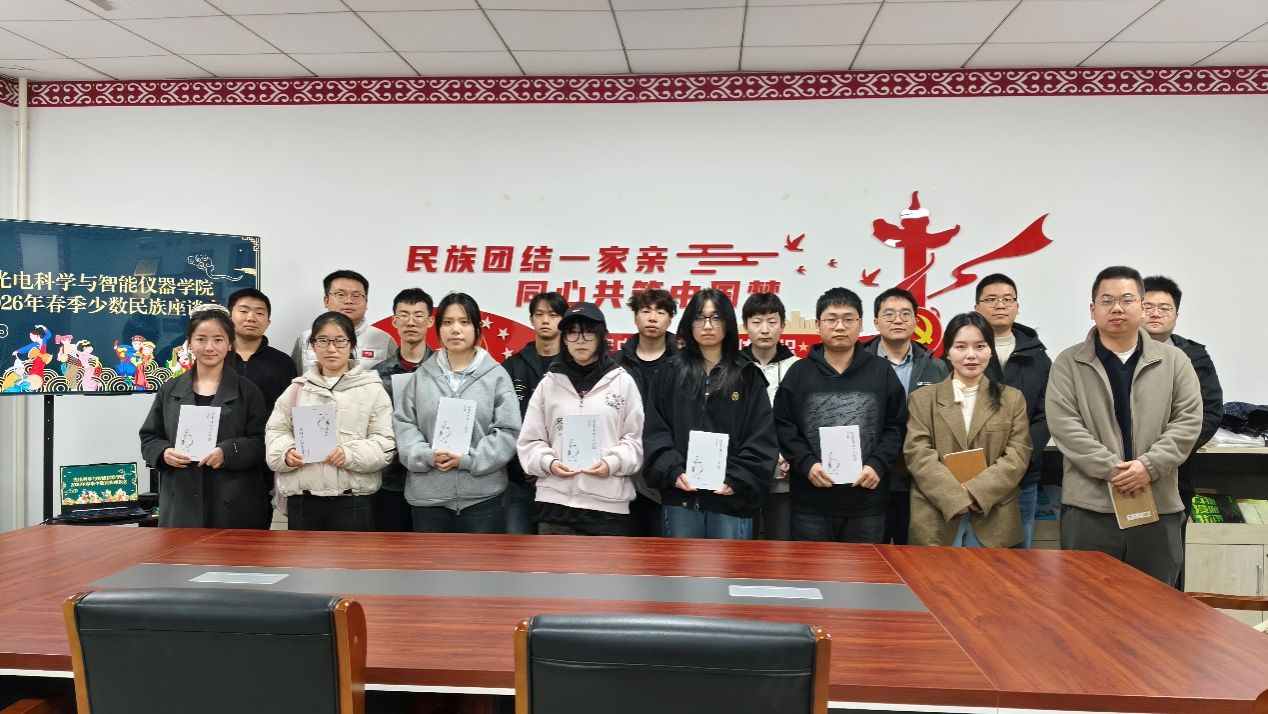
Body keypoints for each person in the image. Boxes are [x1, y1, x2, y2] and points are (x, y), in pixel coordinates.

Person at [1048, 266, 1202, 584]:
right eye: (1107, 300)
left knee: (1155, 604)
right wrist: (1115, 471)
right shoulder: (1068, 363)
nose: (1117, 308)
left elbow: (1188, 422)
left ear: (1141, 307)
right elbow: (1065, 426)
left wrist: (1148, 466)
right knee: (1086, 602)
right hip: (1090, 508)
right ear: (1092, 309)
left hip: (1157, 505)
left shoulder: (1175, 361)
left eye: (1127, 299)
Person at [774, 287, 907, 544]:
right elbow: (783, 425)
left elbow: (896, 425)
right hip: (811, 501)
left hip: (867, 499)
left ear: (860, 324)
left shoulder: (880, 371)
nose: (840, 326)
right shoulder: (799, 372)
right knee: (813, 568)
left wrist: (877, 464)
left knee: (864, 569)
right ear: (818, 325)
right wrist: (807, 464)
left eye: (848, 319)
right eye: (831, 319)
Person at [643, 288, 777, 539]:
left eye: (716, 318)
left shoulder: (747, 375)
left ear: (728, 323)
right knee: (682, 565)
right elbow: (655, 431)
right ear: (689, 322)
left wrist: (737, 479)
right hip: (682, 498)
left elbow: (761, 437)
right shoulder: (670, 372)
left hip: (731, 500)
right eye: (700, 317)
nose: (707, 325)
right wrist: (673, 472)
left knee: (729, 565)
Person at [395, 292, 521, 534]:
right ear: (438, 329)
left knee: (480, 560)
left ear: (477, 328)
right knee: (429, 560)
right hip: (428, 499)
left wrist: (469, 459)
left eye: (464, 322)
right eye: (447, 322)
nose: (455, 330)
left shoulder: (496, 376)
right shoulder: (422, 376)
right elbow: (404, 423)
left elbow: (508, 430)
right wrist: (426, 455)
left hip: (482, 499)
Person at [904, 313, 1032, 547]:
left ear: (990, 351)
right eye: (961, 347)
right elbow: (918, 454)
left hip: (994, 515)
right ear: (948, 352)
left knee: (989, 574)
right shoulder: (922, 399)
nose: (971, 355)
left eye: (980, 346)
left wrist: (975, 493)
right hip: (936, 515)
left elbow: (1017, 455)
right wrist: (955, 497)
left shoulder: (1012, 399)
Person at [516, 302, 642, 536]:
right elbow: (530, 441)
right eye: (572, 333)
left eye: (588, 332)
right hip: (555, 505)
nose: (580, 340)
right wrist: (549, 463)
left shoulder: (622, 382)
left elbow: (634, 441)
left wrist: (612, 463)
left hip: (608, 506)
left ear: (601, 336)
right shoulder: (549, 383)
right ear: (564, 339)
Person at [140, 306, 271, 528]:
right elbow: (150, 437)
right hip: (181, 503)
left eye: (218, 340)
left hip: (234, 503)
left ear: (229, 344)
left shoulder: (248, 391)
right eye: (201, 339)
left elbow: (262, 442)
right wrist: (163, 453)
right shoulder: (170, 390)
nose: (209, 347)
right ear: (190, 343)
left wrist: (228, 452)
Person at [267, 311, 395, 532]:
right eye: (323, 341)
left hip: (353, 502)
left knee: (352, 556)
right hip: (304, 501)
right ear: (313, 345)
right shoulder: (297, 389)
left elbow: (386, 444)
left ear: (352, 345)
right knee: (303, 557)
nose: (331, 348)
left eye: (340, 341)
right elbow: (275, 432)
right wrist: (286, 453)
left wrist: (349, 454)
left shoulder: (372, 390)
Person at [1143, 275, 1224, 589]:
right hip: (1121, 472)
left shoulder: (1194, 356)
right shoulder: (1111, 354)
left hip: (1177, 473)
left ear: (1176, 314)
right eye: (1148, 306)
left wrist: (1170, 454)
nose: (1156, 313)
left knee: (1169, 560)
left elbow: (1210, 413)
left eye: (1165, 308)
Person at [864, 287, 948, 545]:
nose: (897, 320)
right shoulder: (859, 363)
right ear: (876, 322)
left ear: (915, 321)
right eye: (889, 314)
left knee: (912, 556)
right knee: (871, 556)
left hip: (918, 481)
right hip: (870, 477)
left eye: (905, 314)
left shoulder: (936, 367)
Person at [974, 273, 1051, 548]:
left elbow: (1046, 414)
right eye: (991, 299)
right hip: (974, 475)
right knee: (971, 557)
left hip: (1022, 475)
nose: (1000, 305)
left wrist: (1019, 457)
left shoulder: (1037, 356)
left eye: (1008, 299)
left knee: (1018, 558)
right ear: (977, 308)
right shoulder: (963, 351)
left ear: (1017, 306)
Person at [614, 288, 679, 536]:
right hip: (626, 473)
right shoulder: (616, 364)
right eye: (645, 311)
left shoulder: (683, 362)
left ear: (670, 319)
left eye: (660, 312)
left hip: (671, 471)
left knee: (667, 550)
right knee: (628, 548)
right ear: (635, 317)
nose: (652, 318)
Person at [502, 291, 566, 535]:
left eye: (553, 315)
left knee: (555, 552)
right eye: (539, 314)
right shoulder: (512, 366)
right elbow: (503, 421)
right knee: (517, 550)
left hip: (562, 479)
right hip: (519, 479)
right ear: (531, 319)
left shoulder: (573, 367)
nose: (546, 320)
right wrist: (526, 465)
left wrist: (551, 463)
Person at [373, 288, 435, 532]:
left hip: (432, 478)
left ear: (430, 321)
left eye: (418, 315)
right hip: (390, 478)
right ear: (394, 321)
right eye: (404, 315)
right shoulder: (377, 374)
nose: (411, 322)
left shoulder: (444, 371)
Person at [740, 292, 799, 541]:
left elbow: (803, 420)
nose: (765, 329)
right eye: (756, 322)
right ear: (745, 326)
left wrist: (794, 456)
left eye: (772, 322)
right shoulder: (733, 367)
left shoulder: (798, 367)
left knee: (782, 548)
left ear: (783, 325)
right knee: (739, 550)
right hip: (742, 474)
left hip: (786, 474)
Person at [292, 269, 397, 373]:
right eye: (341, 295)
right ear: (326, 301)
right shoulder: (305, 339)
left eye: (356, 296)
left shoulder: (384, 340)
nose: (349, 301)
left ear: (366, 303)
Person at [227, 287, 298, 411]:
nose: (251, 318)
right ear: (229, 318)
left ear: (268, 322)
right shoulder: (216, 358)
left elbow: (292, 408)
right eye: (243, 311)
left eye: (259, 313)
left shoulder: (282, 362)